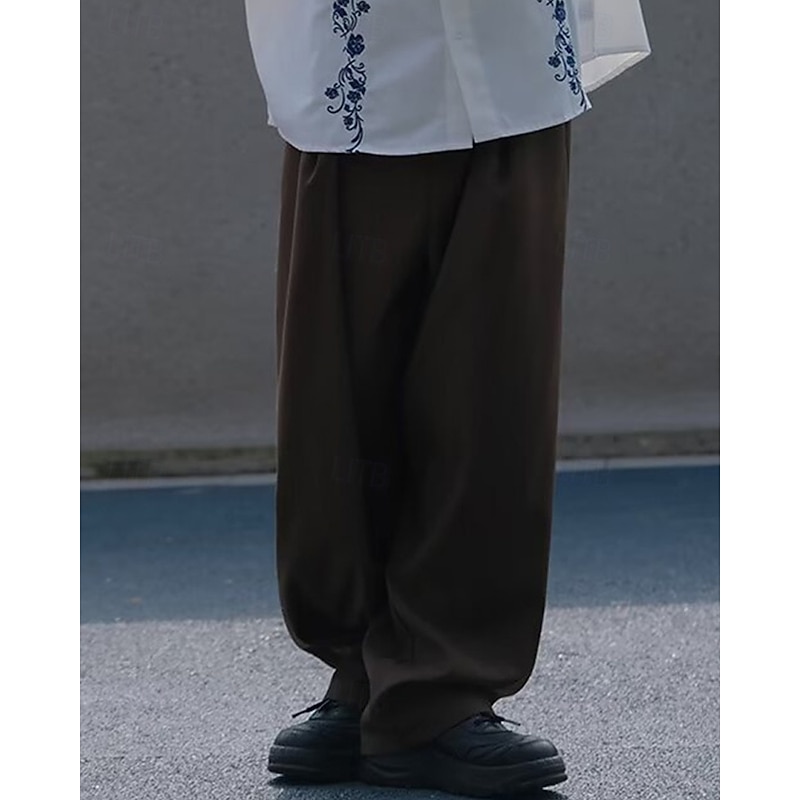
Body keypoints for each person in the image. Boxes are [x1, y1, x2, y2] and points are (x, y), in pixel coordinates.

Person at [244, 1, 650, 796]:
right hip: (356, 67)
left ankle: (438, 688)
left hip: (507, 56)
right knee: (339, 392)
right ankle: (364, 674)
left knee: (489, 390)